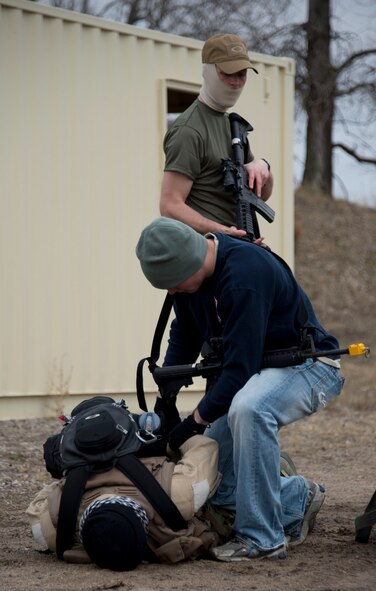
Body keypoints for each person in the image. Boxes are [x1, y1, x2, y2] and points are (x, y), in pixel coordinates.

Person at [135, 217, 345, 561]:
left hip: (309, 366)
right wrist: (165, 398)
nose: (171, 292)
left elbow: (238, 372)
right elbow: (184, 334)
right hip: (258, 373)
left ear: (188, 261)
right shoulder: (190, 282)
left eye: (173, 284)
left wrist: (194, 422)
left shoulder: (244, 276)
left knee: (249, 409)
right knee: (213, 475)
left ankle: (263, 539)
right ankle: (297, 498)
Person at [26, 433, 221, 570]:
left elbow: (204, 448)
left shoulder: (53, 529)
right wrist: (165, 441)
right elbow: (205, 446)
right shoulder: (177, 495)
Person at [160, 33, 274, 238]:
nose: (236, 82)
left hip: (234, 245)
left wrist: (264, 167)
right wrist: (224, 232)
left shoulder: (233, 126)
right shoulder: (189, 130)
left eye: (242, 74)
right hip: (205, 252)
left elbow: (261, 194)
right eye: (228, 73)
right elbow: (170, 206)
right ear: (208, 71)